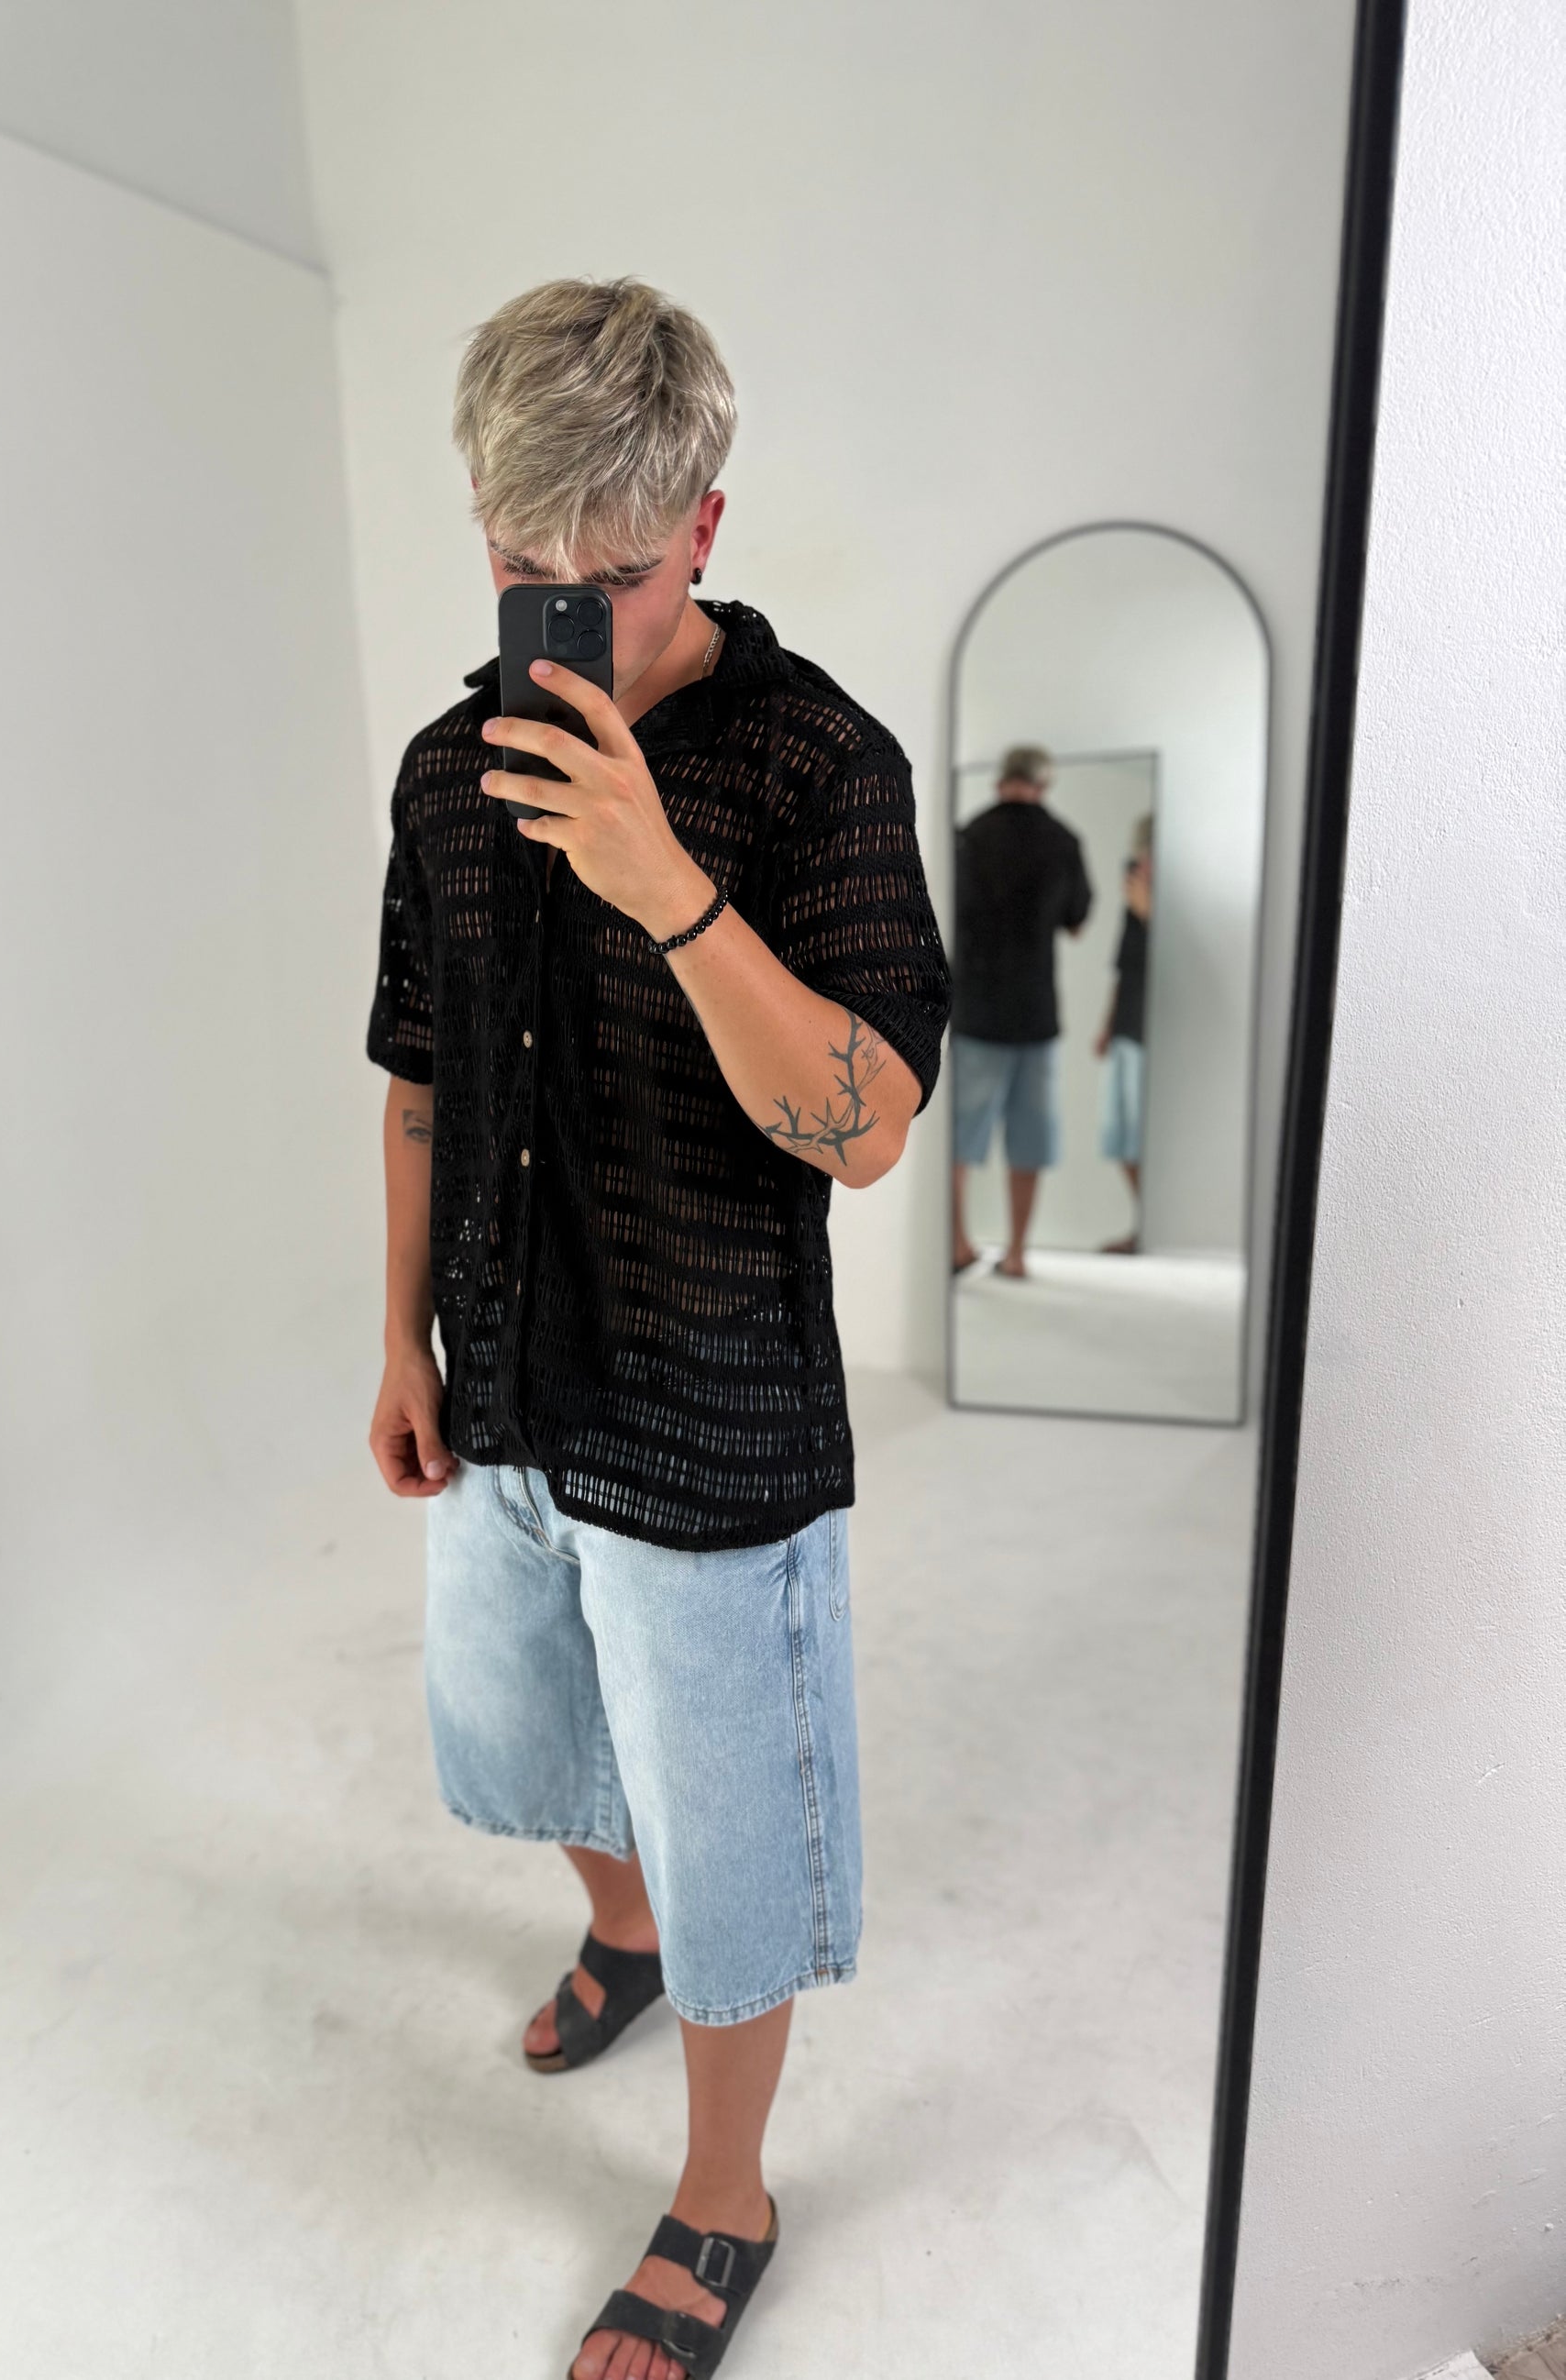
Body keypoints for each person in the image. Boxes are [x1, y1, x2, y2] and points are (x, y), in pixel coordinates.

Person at [364, 277, 950, 2380]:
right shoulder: (450, 768)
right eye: (519, 564)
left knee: (734, 1846)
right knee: (533, 1739)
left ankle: (724, 2192)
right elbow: (419, 1066)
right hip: (504, 1390)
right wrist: (404, 1339)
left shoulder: (815, 762)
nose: (565, 617)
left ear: (703, 524)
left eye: (608, 573)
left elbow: (865, 1130)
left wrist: (663, 879)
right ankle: (614, 1935)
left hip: (710, 1418)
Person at [950, 745, 1092, 1280]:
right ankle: (1016, 1254)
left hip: (976, 1008)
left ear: (1001, 778)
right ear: (1044, 784)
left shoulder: (969, 836)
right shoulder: (1063, 840)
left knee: (959, 1139)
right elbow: (1076, 922)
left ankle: (958, 1244)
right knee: (1030, 1140)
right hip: (1036, 1013)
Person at [1094, 815, 1152, 1253]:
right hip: (1127, 1030)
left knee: (1145, 1138)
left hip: (1157, 1035)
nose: (1139, 863)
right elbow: (1123, 966)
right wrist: (1107, 1024)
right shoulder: (1133, 903)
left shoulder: (1173, 902)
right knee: (1119, 1137)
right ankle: (1149, 1225)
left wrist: (1147, 911)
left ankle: (1152, 1230)